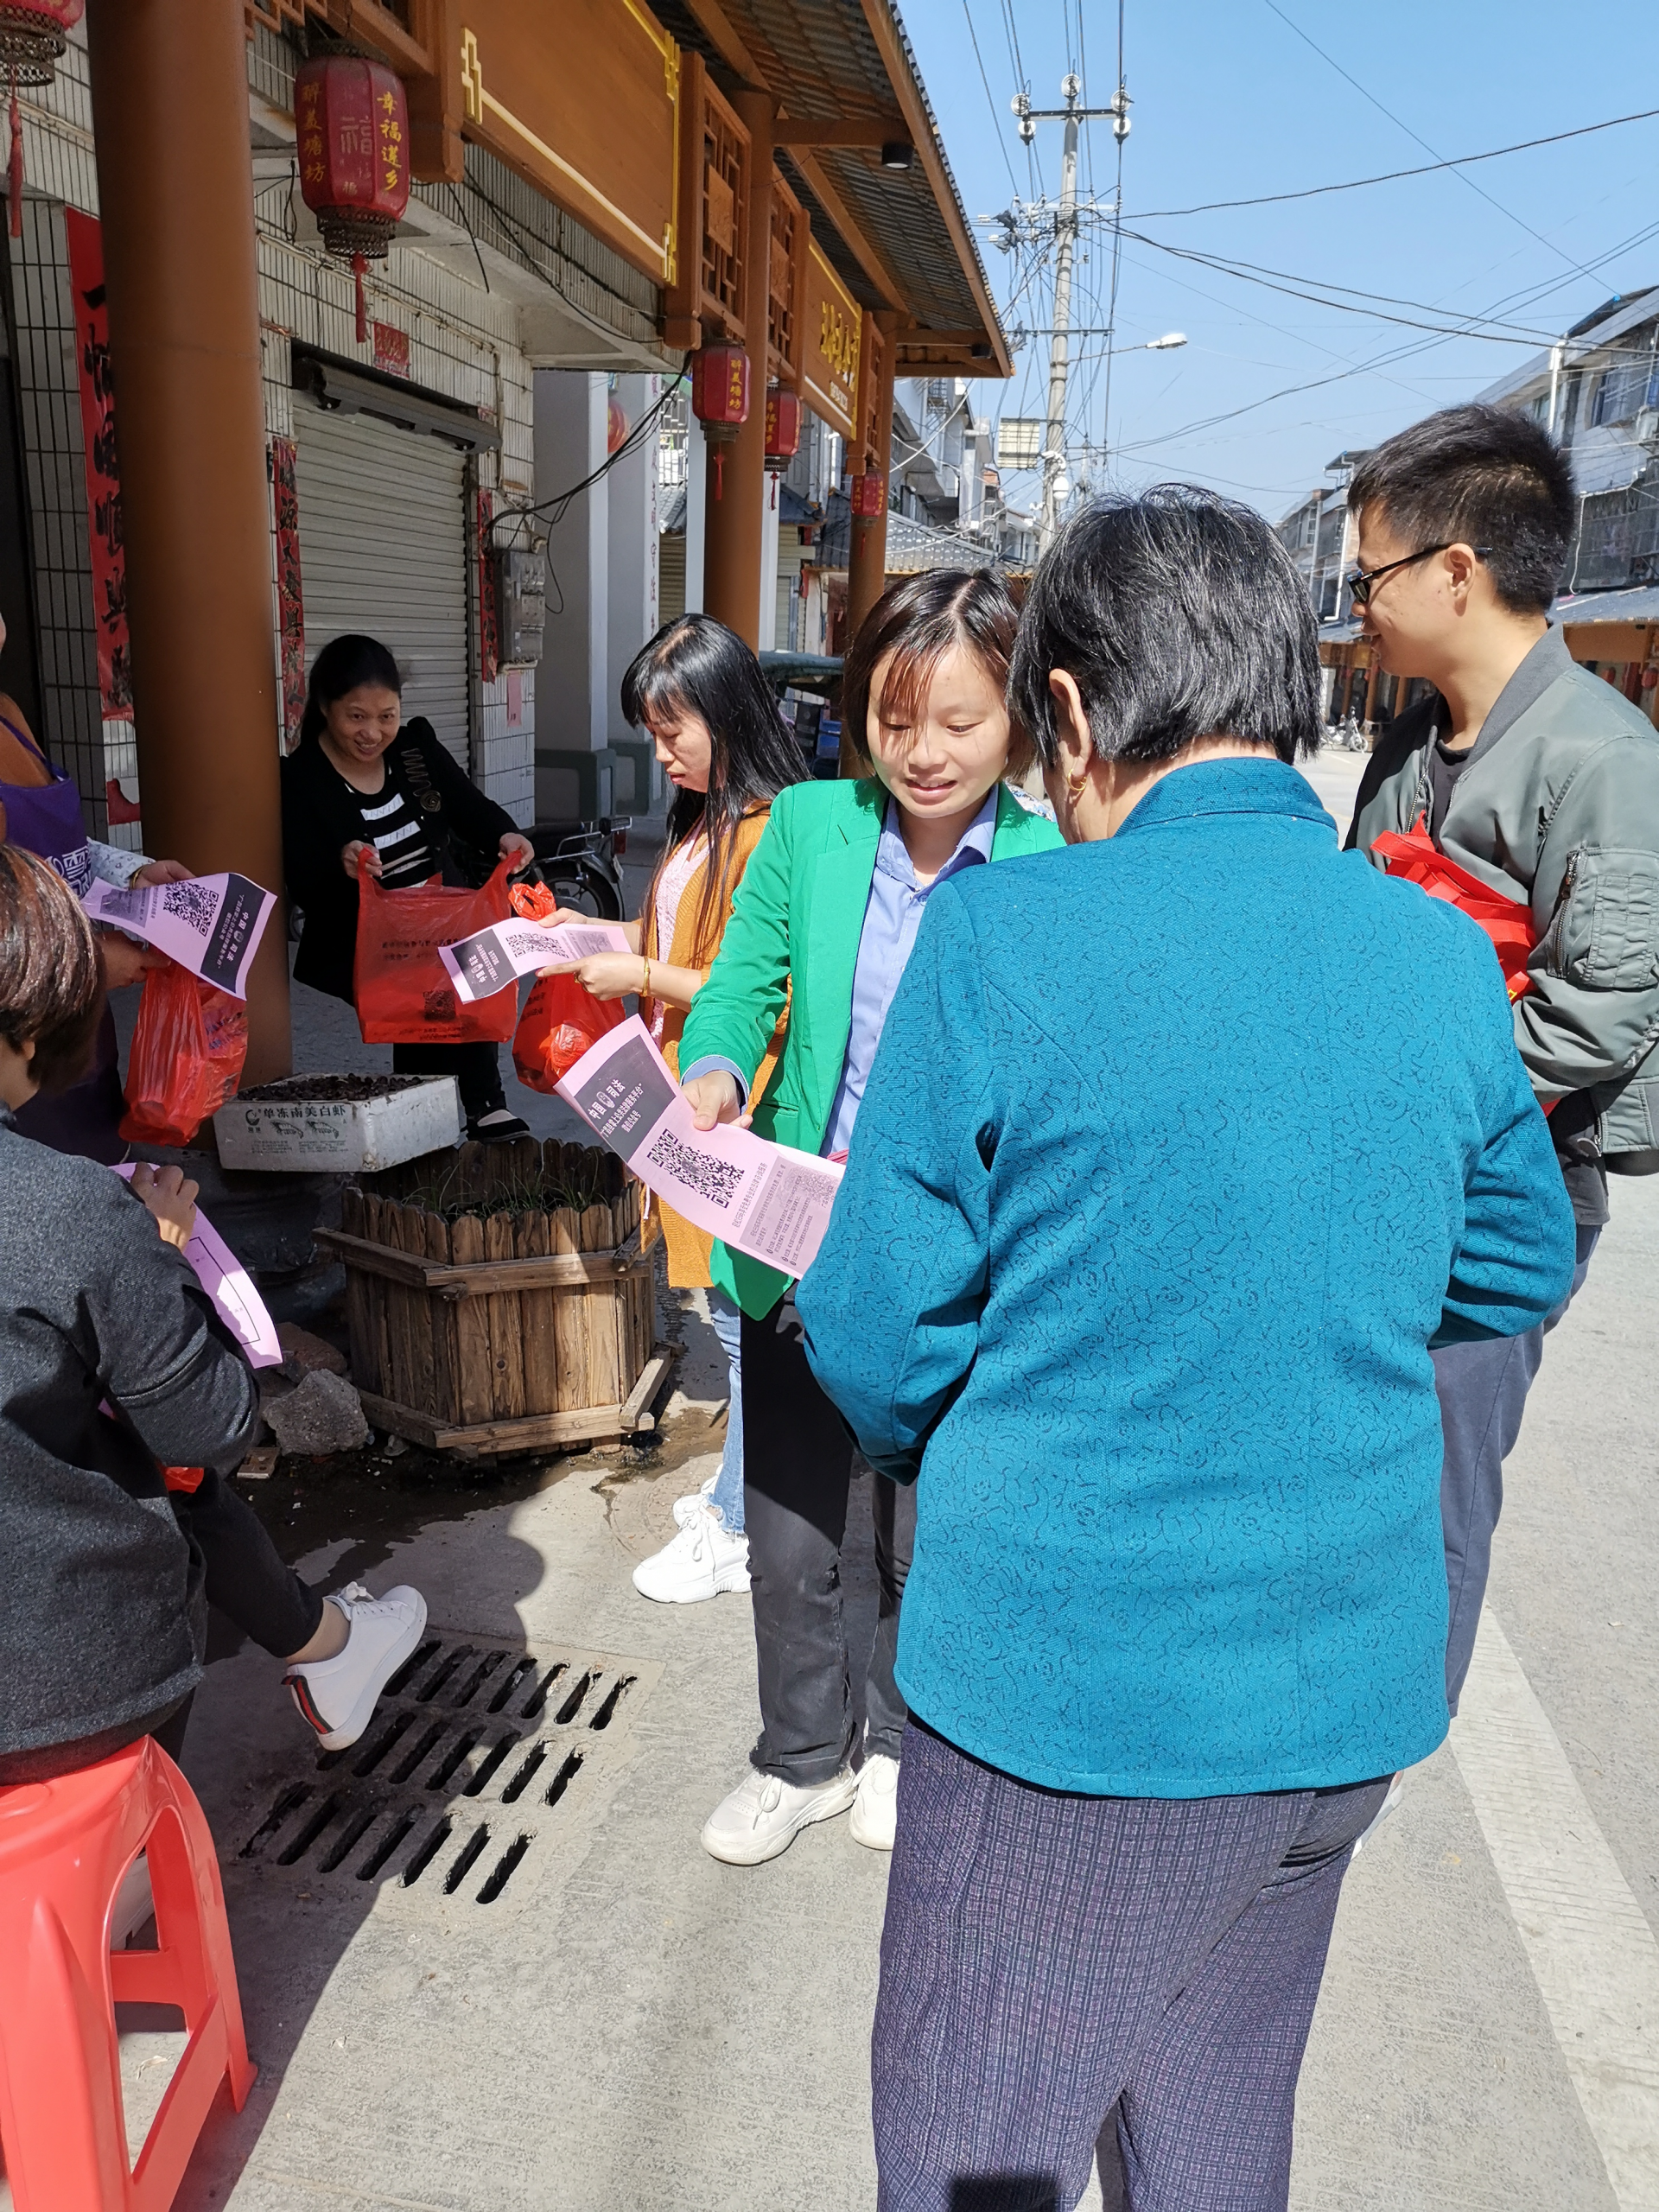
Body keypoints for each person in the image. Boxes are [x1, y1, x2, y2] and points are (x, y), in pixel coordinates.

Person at [796, 489, 1577, 2210]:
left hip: (1072, 1701)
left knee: (970, 2146)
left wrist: (976, 1421)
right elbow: (1518, 1254)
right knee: (1216, 2117)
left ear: (1064, 715)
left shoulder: (1010, 937)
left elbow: (869, 1330)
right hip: (1339, 1697)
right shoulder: (1435, 950)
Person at [676, 569, 1063, 1866]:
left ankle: (899, 1741)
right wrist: (719, 1067)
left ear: (1018, 719)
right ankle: (800, 1757)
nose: (925, 753)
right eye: (897, 720)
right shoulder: (808, 826)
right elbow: (742, 980)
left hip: (960, 1262)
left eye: (960, 720)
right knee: (789, 1542)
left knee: (917, 1534)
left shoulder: (1055, 860)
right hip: (798, 1237)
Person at [1344, 404, 1659, 1711]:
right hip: (1386, 1144)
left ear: (1455, 572)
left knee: (1443, 1462)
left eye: (1370, 575)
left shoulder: (1604, 755)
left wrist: (1424, 1106)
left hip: (1506, 1167)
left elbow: (1598, 1016)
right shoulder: (1413, 740)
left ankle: (1391, 1714)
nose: (1356, 603)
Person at [0, 845, 426, 1783]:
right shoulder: (67, 1209)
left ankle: (324, 1640)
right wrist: (158, 1253)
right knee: (153, 1450)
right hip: (67, 1690)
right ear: (33, 1019)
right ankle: (322, 1647)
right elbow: (215, 1425)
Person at [538, 614, 809, 1605]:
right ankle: (743, 1495)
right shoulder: (703, 820)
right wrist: (592, 932)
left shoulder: (771, 825)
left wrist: (640, 969)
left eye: (671, 728)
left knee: (740, 1321)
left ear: (728, 712)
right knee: (725, 1315)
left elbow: (753, 981)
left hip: (728, 1109)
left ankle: (743, 1523)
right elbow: (682, 935)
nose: (660, 752)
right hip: (683, 1100)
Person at [280, 633, 537, 1144]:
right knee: (426, 1005)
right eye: (356, 716)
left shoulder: (415, 745)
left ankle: (451, 1114)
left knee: (463, 986)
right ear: (326, 707)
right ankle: (471, 1109)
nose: (373, 732)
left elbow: (467, 804)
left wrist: (504, 832)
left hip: (446, 912)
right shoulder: (302, 776)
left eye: (386, 716)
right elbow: (302, 877)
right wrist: (341, 863)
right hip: (374, 938)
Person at [0, 602, 193, 1161]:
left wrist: (130, 872)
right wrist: (85, 964)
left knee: (108, 1177)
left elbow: (60, 849)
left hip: (82, 1031)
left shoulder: (9, 713)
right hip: (18, 1049)